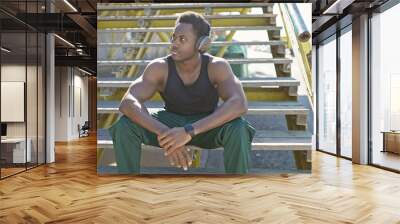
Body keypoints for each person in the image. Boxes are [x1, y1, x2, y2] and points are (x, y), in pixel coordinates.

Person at [108, 11, 256, 174]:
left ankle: (238, 186)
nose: (174, 44)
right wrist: (167, 135)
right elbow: (128, 102)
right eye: (174, 38)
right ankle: (127, 184)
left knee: (239, 128)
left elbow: (239, 104)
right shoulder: (159, 67)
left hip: (205, 126)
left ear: (201, 44)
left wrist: (188, 131)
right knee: (124, 125)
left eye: (182, 39)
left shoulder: (216, 66)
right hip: (169, 123)